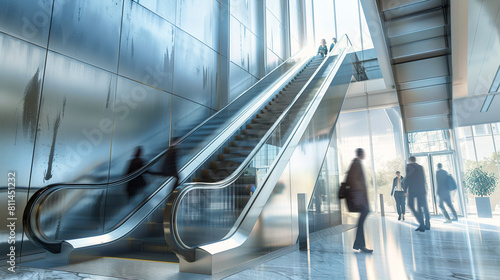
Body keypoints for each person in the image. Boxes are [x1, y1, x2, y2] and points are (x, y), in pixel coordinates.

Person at [346, 148, 372, 253]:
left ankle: (359, 244)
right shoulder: (356, 163)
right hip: (359, 197)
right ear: (361, 154)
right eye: (364, 153)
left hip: (360, 197)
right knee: (363, 218)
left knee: (361, 220)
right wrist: (359, 197)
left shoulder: (356, 163)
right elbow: (353, 180)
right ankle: (360, 244)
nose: (365, 155)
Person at [405, 156, 430, 232]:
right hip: (421, 189)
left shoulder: (408, 166)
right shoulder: (420, 167)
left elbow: (408, 178)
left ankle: (421, 224)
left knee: (410, 205)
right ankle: (425, 225)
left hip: (412, 190)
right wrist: (425, 190)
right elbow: (423, 179)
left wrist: (406, 189)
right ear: (415, 160)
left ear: (409, 161)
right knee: (420, 207)